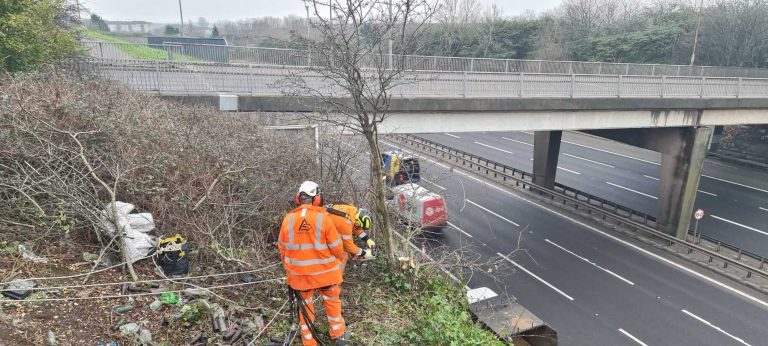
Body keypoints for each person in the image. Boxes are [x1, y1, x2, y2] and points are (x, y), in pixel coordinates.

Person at [277, 181, 348, 345]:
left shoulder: (288, 219)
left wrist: (291, 269)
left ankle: (309, 342)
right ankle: (338, 334)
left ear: (298, 198)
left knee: (305, 308)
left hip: (300, 278)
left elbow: (282, 248)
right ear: (317, 199)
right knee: (332, 302)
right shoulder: (324, 218)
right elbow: (337, 248)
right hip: (327, 275)